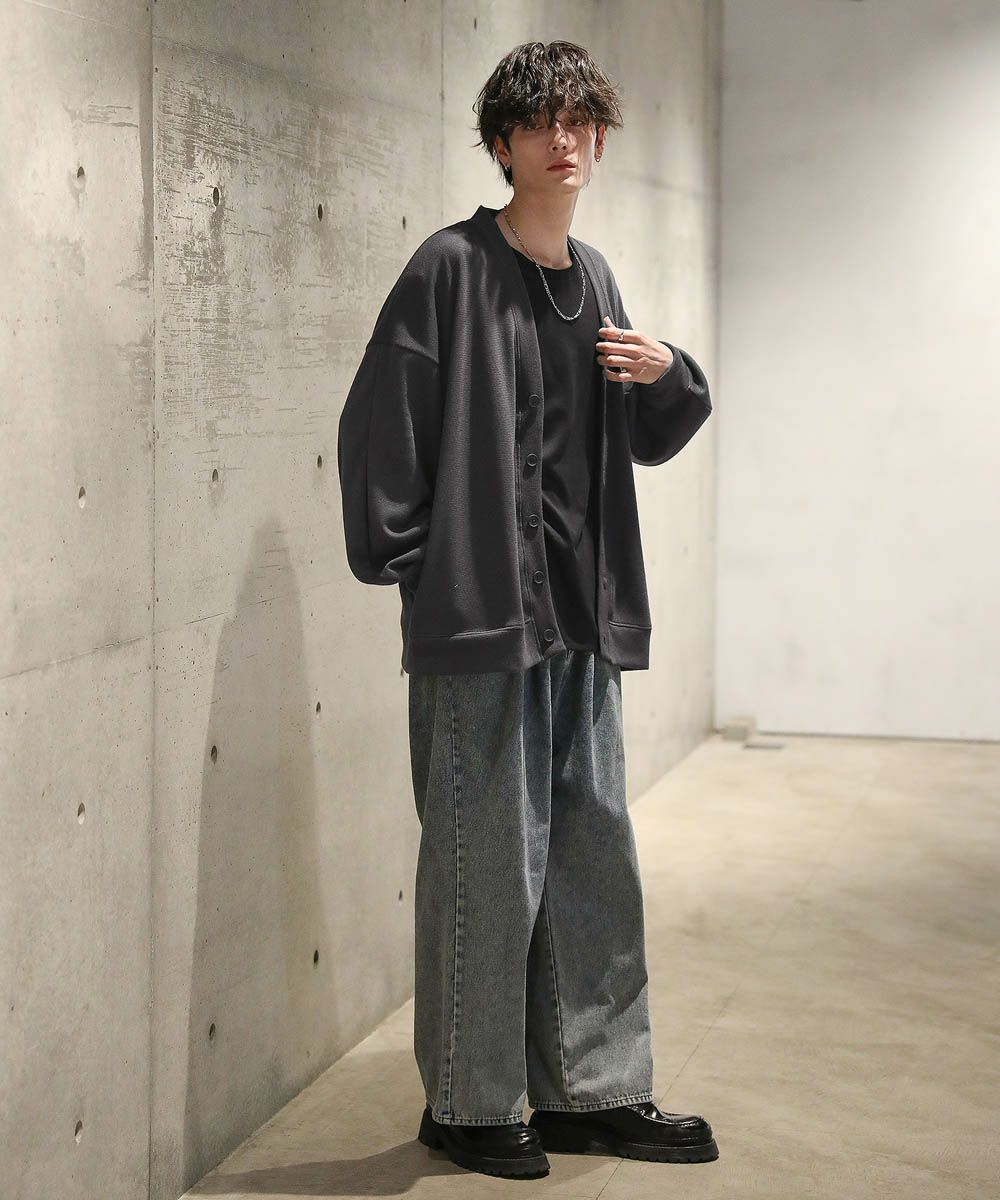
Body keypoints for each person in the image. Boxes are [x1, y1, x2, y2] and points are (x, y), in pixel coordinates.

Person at [337, 40, 718, 1180]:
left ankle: (592, 1091)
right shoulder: (449, 268)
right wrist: (423, 569)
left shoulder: (593, 277)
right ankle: (469, 1102)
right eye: (541, 122)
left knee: (594, 859)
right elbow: (381, 425)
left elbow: (641, 430)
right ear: (502, 144)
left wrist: (669, 371)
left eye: (582, 121)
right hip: (483, 626)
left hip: (579, 623)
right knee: (485, 863)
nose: (566, 140)